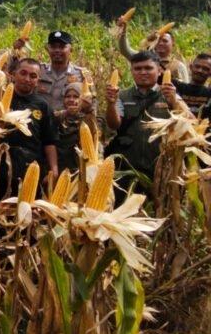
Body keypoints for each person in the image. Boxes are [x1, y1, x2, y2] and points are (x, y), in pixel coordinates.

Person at [104, 50, 190, 201]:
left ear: (159, 71)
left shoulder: (170, 94)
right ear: (131, 72)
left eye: (148, 68)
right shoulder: (123, 96)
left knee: (160, 208)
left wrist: (175, 101)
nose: (143, 72)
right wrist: (111, 104)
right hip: (128, 166)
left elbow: (190, 122)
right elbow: (114, 124)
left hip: (160, 166)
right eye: (137, 69)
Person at [0, 58, 59, 201]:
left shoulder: (43, 106)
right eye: (23, 73)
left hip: (30, 167)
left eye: (33, 76)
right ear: (14, 74)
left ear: (38, 80)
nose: (27, 79)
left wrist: (53, 169)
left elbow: (50, 140)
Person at [14, 30, 94, 114]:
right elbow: (13, 74)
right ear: (48, 49)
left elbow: (91, 105)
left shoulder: (82, 75)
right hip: (41, 121)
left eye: (62, 47)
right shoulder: (38, 70)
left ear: (71, 50)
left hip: (69, 123)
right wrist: (16, 52)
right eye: (53, 47)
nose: (57, 50)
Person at [116, 20, 188, 82]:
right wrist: (123, 31)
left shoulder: (179, 66)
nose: (160, 43)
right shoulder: (143, 59)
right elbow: (125, 50)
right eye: (158, 40)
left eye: (165, 41)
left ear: (173, 44)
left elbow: (184, 89)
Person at [55, 82, 98, 174]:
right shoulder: (58, 117)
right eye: (68, 96)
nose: (71, 99)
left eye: (76, 97)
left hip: (82, 171)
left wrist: (88, 110)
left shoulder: (90, 118)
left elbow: (94, 135)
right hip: (60, 170)